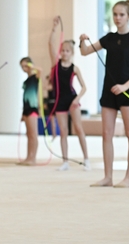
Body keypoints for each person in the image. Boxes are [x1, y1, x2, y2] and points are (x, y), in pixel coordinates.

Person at [80, 0, 129, 188]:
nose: (118, 18)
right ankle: (107, 177)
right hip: (109, 90)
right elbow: (85, 52)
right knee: (106, 133)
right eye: (115, 14)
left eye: (121, 15)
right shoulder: (108, 38)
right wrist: (82, 41)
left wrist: (125, 86)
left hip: (127, 91)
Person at [48, 17, 90, 171]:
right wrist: (54, 28)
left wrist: (77, 99)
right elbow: (50, 44)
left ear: (71, 53)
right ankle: (65, 161)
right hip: (60, 100)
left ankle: (86, 159)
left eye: (67, 51)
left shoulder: (74, 68)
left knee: (79, 128)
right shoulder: (55, 64)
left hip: (72, 99)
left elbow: (84, 87)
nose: (64, 53)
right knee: (63, 131)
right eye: (62, 50)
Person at [17, 58, 41, 166]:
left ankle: (33, 157)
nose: (24, 68)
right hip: (26, 108)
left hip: (32, 108)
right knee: (28, 134)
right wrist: (22, 113)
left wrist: (32, 67)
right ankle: (28, 156)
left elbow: (40, 70)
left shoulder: (35, 76)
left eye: (25, 65)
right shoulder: (26, 81)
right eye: (22, 66)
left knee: (33, 134)